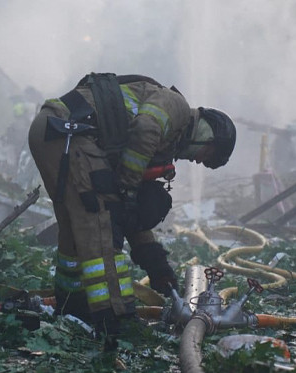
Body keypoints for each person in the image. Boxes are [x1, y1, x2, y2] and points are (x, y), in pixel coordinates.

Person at [27, 73, 236, 345]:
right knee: (101, 223)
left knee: (76, 225)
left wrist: (155, 263)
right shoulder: (178, 108)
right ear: (208, 136)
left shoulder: (159, 143)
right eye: (205, 156)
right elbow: (146, 128)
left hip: (52, 130)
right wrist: (128, 188)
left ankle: (72, 306)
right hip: (69, 133)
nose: (197, 161)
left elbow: (130, 212)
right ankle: (116, 318)